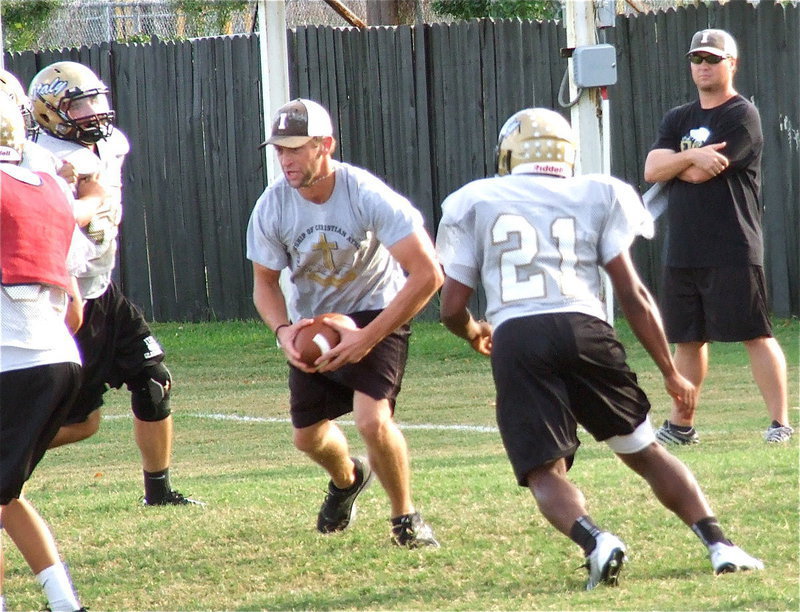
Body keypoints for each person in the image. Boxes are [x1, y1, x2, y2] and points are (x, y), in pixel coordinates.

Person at [436, 107, 764, 589]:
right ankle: (720, 545)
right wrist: (670, 373)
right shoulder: (598, 192)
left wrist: (472, 331)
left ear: (509, 155)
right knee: (646, 451)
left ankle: (597, 541)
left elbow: (450, 307)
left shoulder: (476, 199)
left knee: (543, 470)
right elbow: (632, 294)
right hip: (587, 329)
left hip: (519, 334)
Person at [246, 98, 443, 547]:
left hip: (377, 311)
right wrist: (284, 332)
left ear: (325, 145)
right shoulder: (272, 205)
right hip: (312, 321)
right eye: (279, 150)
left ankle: (405, 519)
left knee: (372, 421)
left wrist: (368, 338)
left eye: (296, 148)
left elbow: (429, 273)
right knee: (307, 438)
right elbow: (265, 283)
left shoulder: (364, 193)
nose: (286, 160)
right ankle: (348, 479)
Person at [24, 61, 202, 505]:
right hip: (66, 295)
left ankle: (158, 492)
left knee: (153, 379)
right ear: (48, 111)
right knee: (81, 423)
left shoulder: (112, 144)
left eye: (95, 100)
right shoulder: (42, 159)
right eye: (79, 104)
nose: (93, 112)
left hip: (103, 288)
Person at [643, 29, 792, 445]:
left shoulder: (741, 115)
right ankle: (681, 426)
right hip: (684, 247)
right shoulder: (678, 118)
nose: (703, 66)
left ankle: (780, 424)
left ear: (732, 64)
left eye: (712, 58)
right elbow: (654, 170)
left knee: (755, 334)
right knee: (687, 339)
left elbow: (703, 171)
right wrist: (690, 154)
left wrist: (682, 162)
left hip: (733, 245)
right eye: (697, 59)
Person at [0, 95, 87, 612]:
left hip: (10, 359)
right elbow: (74, 307)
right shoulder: (51, 188)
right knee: (5, 495)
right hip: (59, 358)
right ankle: (64, 603)